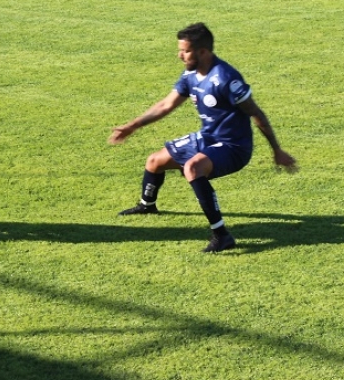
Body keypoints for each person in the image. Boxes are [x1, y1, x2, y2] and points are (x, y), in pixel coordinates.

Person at [110, 23, 298, 253]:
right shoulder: (190, 74)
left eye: (185, 51)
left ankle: (222, 236)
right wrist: (133, 126)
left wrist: (277, 150)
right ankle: (147, 205)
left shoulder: (226, 78)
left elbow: (256, 113)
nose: (180, 55)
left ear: (203, 51)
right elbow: (166, 104)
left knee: (193, 168)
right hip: (208, 137)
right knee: (154, 161)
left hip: (233, 146)